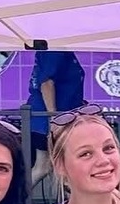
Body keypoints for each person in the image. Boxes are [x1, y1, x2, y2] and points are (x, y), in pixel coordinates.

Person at [27, 51, 85, 188]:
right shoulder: (54, 49)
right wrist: (54, 118)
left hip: (53, 121)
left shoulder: (60, 51)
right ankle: (14, 201)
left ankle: (15, 202)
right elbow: (46, 83)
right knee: (48, 167)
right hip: (48, 123)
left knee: (51, 167)